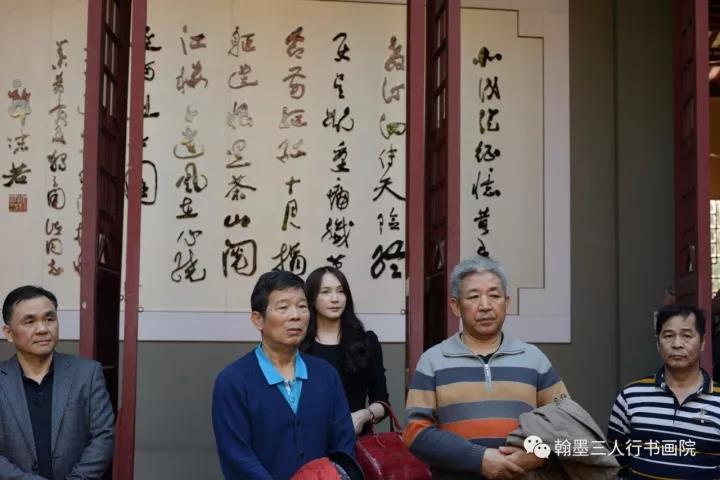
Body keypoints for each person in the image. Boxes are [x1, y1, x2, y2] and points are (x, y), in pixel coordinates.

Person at [404, 256, 568, 479]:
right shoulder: (433, 361)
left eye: (494, 296)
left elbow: (566, 425)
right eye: (473, 297)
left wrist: (536, 456)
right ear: (455, 306)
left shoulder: (534, 359)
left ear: (506, 303)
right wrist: (478, 459)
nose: (485, 306)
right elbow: (415, 433)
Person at [212, 270, 356, 480]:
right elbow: (237, 456)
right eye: (283, 307)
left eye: (302, 306)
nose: (295, 315)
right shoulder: (233, 381)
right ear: (258, 319)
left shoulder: (326, 375)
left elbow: (343, 444)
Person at [0, 285, 115, 480]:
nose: (43, 329)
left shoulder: (87, 373)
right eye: (30, 321)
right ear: (8, 332)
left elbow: (103, 437)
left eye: (49, 319)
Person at [608, 304, 720, 479]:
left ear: (703, 342)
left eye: (686, 336)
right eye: (668, 336)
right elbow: (614, 462)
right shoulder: (630, 397)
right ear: (658, 343)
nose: (677, 344)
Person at [301, 266, 389, 435]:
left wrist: (365, 415)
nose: (335, 299)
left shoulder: (366, 341)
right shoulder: (299, 344)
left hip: (355, 439)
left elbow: (382, 402)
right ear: (311, 298)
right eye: (325, 292)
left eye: (341, 291)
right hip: (309, 440)